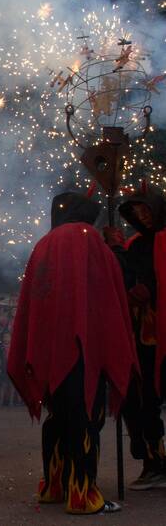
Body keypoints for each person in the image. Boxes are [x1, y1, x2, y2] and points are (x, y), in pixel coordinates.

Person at [9, 190, 138, 515]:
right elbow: (116, 281)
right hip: (80, 350)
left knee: (58, 418)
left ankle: (55, 484)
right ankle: (82, 494)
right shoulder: (87, 239)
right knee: (85, 419)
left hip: (48, 352)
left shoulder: (45, 243)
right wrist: (118, 246)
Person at [104, 184, 166, 489]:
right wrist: (115, 250)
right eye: (135, 211)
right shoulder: (135, 244)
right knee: (135, 400)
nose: (141, 215)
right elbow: (123, 280)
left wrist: (149, 291)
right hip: (139, 336)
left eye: (146, 209)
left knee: (151, 398)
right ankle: (152, 461)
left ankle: (157, 463)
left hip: (160, 333)